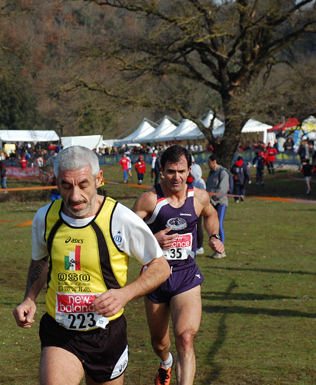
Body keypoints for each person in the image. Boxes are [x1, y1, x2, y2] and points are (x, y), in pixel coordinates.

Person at [13, 146, 170, 385]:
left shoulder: (120, 218)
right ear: (56, 182)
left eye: (83, 185)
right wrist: (29, 298)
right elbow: (42, 259)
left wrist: (125, 294)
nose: (75, 196)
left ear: (99, 179)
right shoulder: (44, 218)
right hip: (61, 331)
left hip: (107, 333)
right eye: (66, 186)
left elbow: (161, 266)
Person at [133, 145, 225, 385]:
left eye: (181, 171)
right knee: (159, 343)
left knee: (185, 337)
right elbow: (124, 234)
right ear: (162, 171)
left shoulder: (199, 197)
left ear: (189, 171)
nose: (177, 177)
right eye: (171, 171)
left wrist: (214, 237)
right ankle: (165, 362)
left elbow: (211, 215)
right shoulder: (150, 199)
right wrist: (153, 240)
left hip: (186, 276)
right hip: (155, 277)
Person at [206, 154, 229, 258]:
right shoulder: (211, 173)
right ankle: (215, 250)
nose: (208, 164)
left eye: (209, 161)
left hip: (220, 203)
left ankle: (221, 251)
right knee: (213, 226)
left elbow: (222, 190)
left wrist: (213, 198)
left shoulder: (223, 173)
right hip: (211, 203)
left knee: (219, 225)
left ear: (214, 161)